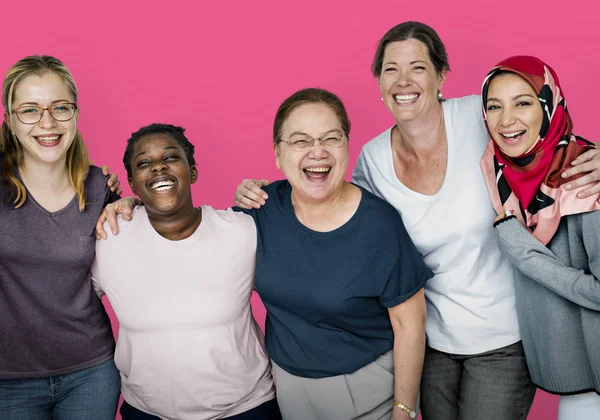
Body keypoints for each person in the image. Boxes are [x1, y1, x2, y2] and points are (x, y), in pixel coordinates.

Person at [229, 22, 600, 420]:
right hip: (430, 339)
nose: (404, 80)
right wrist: (268, 193)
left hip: (506, 338)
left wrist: (596, 154)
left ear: (441, 75)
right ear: (379, 81)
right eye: (391, 69)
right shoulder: (372, 159)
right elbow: (337, 211)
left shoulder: (480, 117)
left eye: (418, 67)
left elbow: (546, 136)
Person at [97, 89, 433, 420]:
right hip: (289, 392)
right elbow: (184, 227)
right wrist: (133, 205)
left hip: (367, 390)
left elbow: (410, 322)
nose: (317, 152)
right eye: (301, 140)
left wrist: (404, 410)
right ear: (277, 154)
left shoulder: (378, 224)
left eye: (331, 138)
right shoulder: (259, 211)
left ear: (346, 144)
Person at [92, 123, 279, 420]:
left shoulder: (241, 231)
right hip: (148, 412)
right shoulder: (109, 239)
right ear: (132, 182)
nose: (157, 167)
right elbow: (70, 303)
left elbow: (291, 287)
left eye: (170, 157)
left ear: (192, 171)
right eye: (144, 163)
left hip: (246, 408)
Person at [0, 55, 122, 420]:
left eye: (60, 108)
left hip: (91, 370)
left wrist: (129, 202)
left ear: (76, 114)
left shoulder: (100, 185)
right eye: (30, 110)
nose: (48, 123)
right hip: (8, 379)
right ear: (9, 119)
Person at [481, 55, 600, 420]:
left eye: (523, 102)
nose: (506, 120)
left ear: (550, 105)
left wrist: (523, 252)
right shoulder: (500, 173)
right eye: (494, 106)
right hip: (580, 384)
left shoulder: (586, 181)